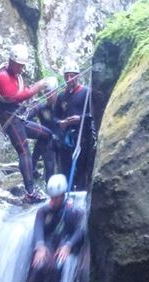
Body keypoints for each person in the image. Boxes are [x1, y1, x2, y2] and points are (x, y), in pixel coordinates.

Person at [0, 43, 54, 203]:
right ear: (12, 62)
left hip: (19, 118)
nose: (21, 69)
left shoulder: (14, 75)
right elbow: (16, 96)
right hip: (11, 121)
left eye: (22, 66)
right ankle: (30, 192)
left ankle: (34, 169)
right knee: (23, 150)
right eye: (19, 66)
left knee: (47, 135)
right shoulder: (3, 76)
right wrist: (38, 87)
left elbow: (20, 93)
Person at [21, 173, 87, 282]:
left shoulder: (73, 211)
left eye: (56, 198)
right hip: (49, 243)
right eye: (51, 197)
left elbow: (80, 230)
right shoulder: (44, 211)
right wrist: (40, 245)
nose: (53, 201)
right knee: (39, 265)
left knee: (56, 267)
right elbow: (38, 230)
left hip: (63, 243)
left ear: (63, 195)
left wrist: (68, 245)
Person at [54, 61, 99, 191]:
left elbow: (94, 114)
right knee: (67, 167)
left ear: (78, 76)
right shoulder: (62, 96)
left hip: (83, 137)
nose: (69, 79)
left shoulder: (87, 93)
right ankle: (67, 194)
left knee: (82, 167)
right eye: (66, 76)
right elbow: (54, 117)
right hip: (67, 139)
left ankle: (81, 193)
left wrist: (80, 119)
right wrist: (60, 123)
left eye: (72, 76)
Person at [26, 86, 62, 182]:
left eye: (51, 93)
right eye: (47, 93)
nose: (49, 95)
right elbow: (27, 119)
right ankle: (34, 178)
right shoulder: (41, 108)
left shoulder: (60, 107)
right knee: (36, 161)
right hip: (45, 140)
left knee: (54, 166)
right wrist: (32, 107)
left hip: (59, 139)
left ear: (55, 93)